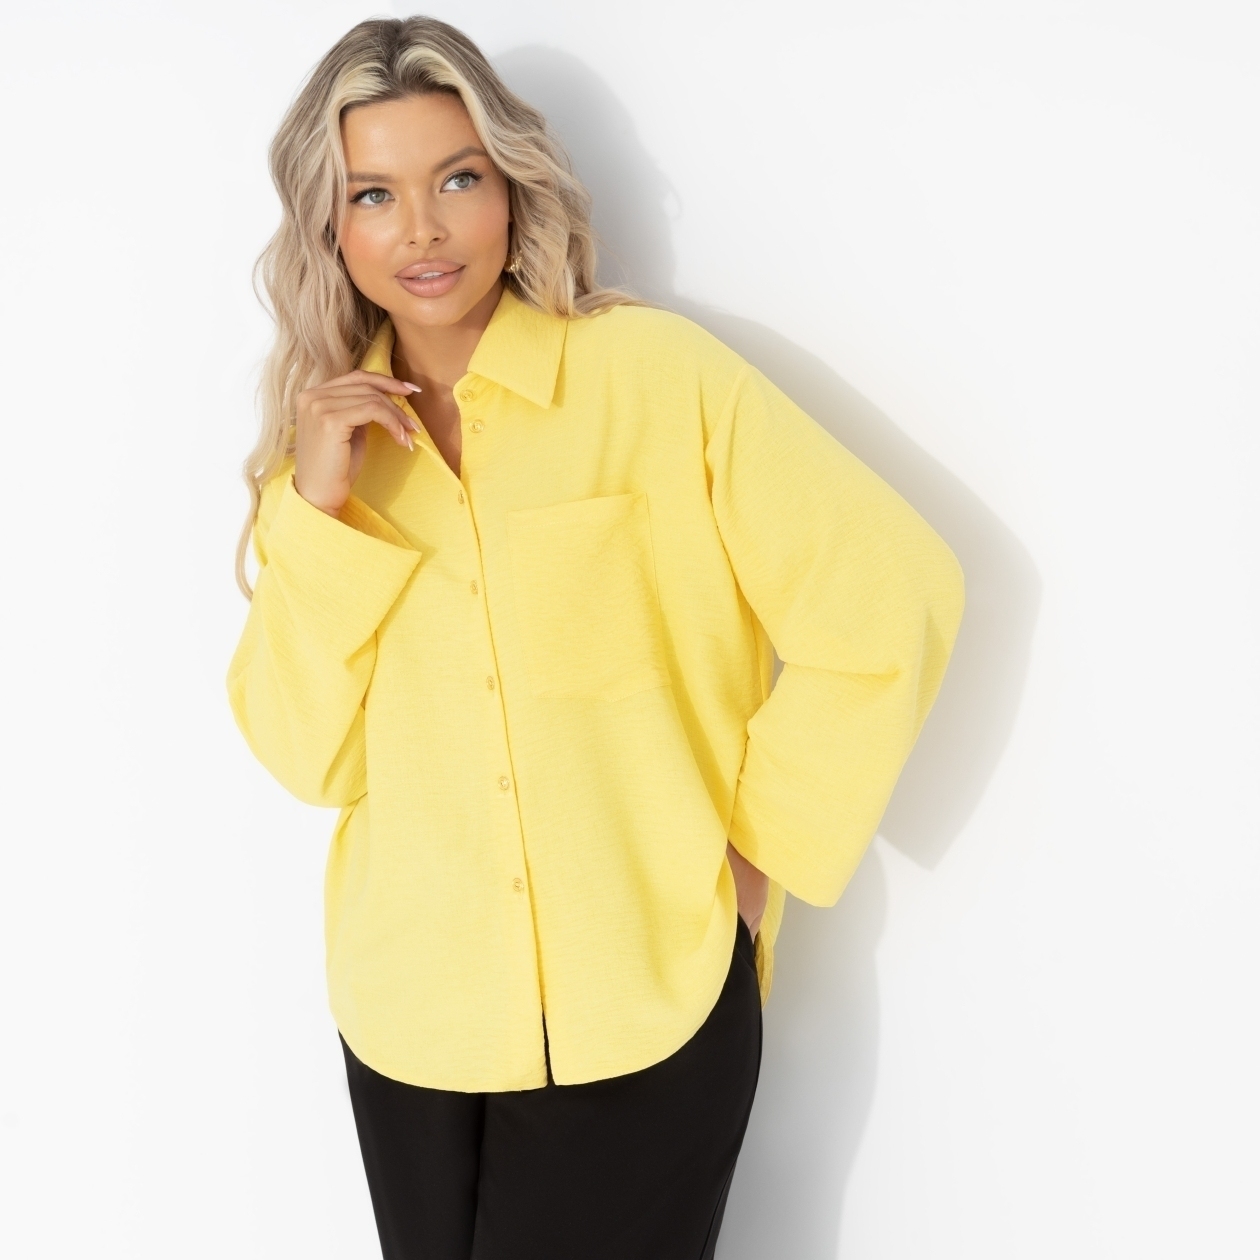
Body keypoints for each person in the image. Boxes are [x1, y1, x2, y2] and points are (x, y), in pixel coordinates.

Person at [226, 14, 965, 1260]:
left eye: (458, 178)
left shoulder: (654, 378)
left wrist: (758, 854)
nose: (422, 231)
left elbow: (890, 594)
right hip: (411, 1024)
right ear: (328, 227)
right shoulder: (325, 462)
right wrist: (317, 510)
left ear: (512, 187)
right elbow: (309, 758)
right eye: (374, 194)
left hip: (644, 1004)